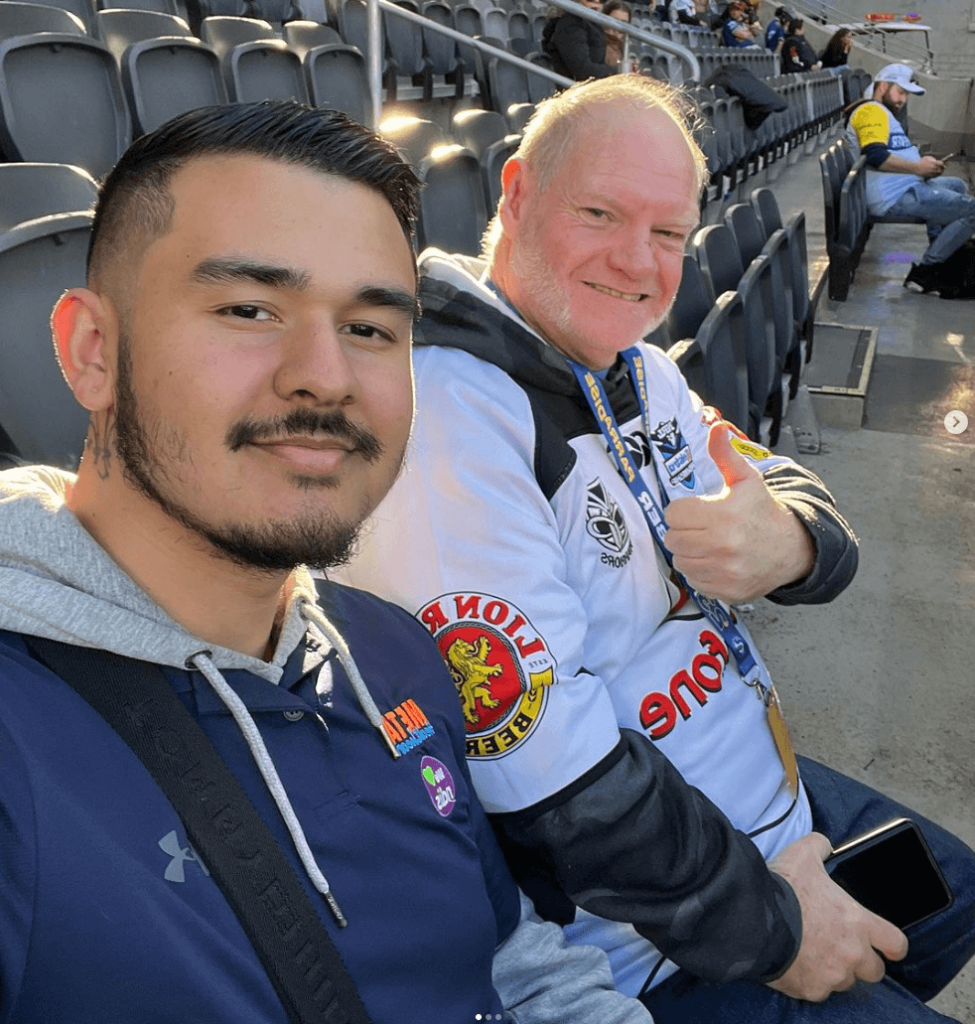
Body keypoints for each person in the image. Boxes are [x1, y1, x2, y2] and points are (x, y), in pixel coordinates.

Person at [0, 100, 657, 1024]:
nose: (325, 374)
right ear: (92, 351)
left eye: (371, 328)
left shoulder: (397, 651)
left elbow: (513, 959)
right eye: (249, 308)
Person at [341, 76, 975, 1024]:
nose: (637, 263)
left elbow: (796, 497)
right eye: (599, 213)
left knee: (950, 902)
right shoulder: (450, 416)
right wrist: (775, 923)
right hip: (655, 930)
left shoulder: (630, 367)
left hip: (767, 805)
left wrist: (792, 544)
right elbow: (557, 792)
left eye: (668, 234)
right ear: (515, 193)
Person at [845, 63, 975, 295]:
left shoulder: (882, 113)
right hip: (893, 195)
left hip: (904, 185)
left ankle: (941, 249)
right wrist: (917, 168)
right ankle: (928, 270)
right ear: (882, 86)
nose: (903, 99)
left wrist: (923, 167)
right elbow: (875, 156)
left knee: (958, 184)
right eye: (900, 92)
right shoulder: (870, 111)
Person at [542, 0, 617, 81]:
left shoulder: (593, 22)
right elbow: (582, 70)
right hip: (579, 89)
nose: (597, 1)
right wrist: (619, 70)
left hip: (594, 85)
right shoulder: (570, 23)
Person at [602, 0, 636, 71]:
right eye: (614, 21)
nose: (618, 27)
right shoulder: (598, 44)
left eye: (623, 23)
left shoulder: (623, 47)